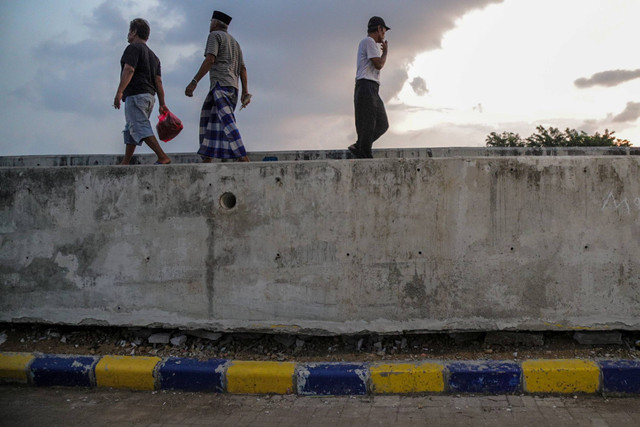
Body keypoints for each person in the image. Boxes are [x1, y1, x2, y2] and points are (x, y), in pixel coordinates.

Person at [185, 10, 251, 163]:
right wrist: (245, 92)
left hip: (221, 85)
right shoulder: (235, 42)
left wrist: (194, 82)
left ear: (215, 23)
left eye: (211, 22)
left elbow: (210, 60)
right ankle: (207, 159)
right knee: (210, 121)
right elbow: (243, 69)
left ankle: (243, 157)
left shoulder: (214, 36)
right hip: (232, 87)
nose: (210, 25)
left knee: (227, 122)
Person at [113, 18, 171, 165]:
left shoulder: (133, 48)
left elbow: (129, 69)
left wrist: (120, 92)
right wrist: (162, 103)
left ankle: (162, 156)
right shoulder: (154, 57)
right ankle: (125, 162)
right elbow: (158, 81)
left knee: (139, 126)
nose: (128, 35)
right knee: (131, 128)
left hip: (136, 95)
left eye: (129, 31)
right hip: (149, 97)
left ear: (134, 32)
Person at [349, 16, 390, 159]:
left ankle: (360, 146)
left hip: (372, 87)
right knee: (367, 124)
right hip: (366, 85)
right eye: (384, 30)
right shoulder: (368, 41)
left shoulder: (369, 43)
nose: (384, 34)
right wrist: (385, 52)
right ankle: (364, 153)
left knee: (382, 124)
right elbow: (379, 64)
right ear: (379, 28)